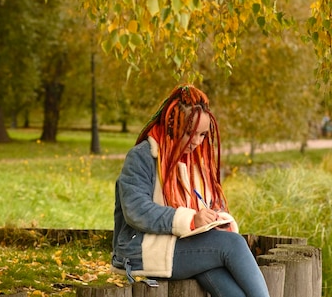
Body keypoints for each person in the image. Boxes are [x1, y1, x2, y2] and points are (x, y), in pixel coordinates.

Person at [112, 84, 270, 297]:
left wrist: (217, 219)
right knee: (233, 245)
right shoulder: (142, 156)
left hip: (182, 244)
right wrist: (191, 220)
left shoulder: (196, 161)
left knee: (231, 287)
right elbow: (136, 211)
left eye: (203, 135)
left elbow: (213, 202)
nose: (197, 142)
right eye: (189, 133)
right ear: (172, 126)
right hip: (140, 250)